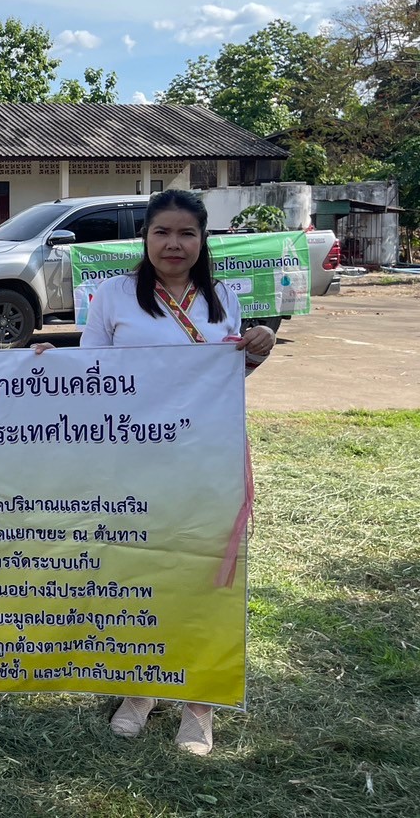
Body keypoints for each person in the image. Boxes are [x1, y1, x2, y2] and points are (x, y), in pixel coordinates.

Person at [34, 188, 273, 756]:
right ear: (145, 237)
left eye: (187, 233)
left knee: (204, 573)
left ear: (202, 240)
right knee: (138, 569)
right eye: (162, 232)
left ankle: (199, 703)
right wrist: (47, 364)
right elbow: (91, 371)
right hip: (134, 459)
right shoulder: (115, 296)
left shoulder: (221, 297)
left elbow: (223, 379)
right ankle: (140, 690)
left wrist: (256, 351)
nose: (174, 244)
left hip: (205, 458)